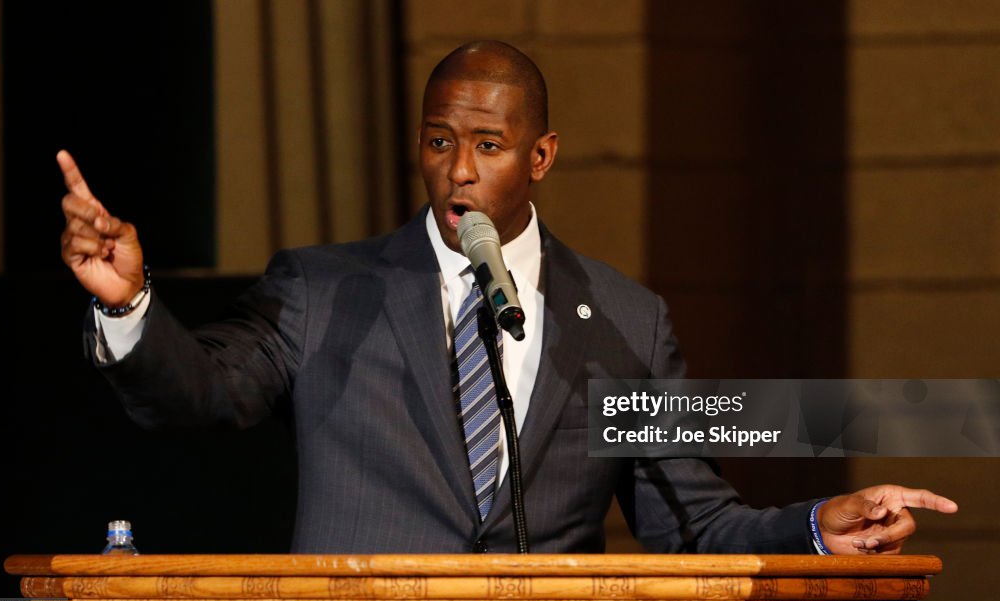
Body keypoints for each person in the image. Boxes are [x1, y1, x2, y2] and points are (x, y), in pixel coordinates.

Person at [58, 40, 956, 554]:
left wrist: (812, 524)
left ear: (541, 156)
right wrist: (130, 304)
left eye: (487, 145)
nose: (457, 170)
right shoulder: (324, 291)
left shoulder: (626, 319)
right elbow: (203, 392)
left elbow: (691, 517)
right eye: (438, 140)